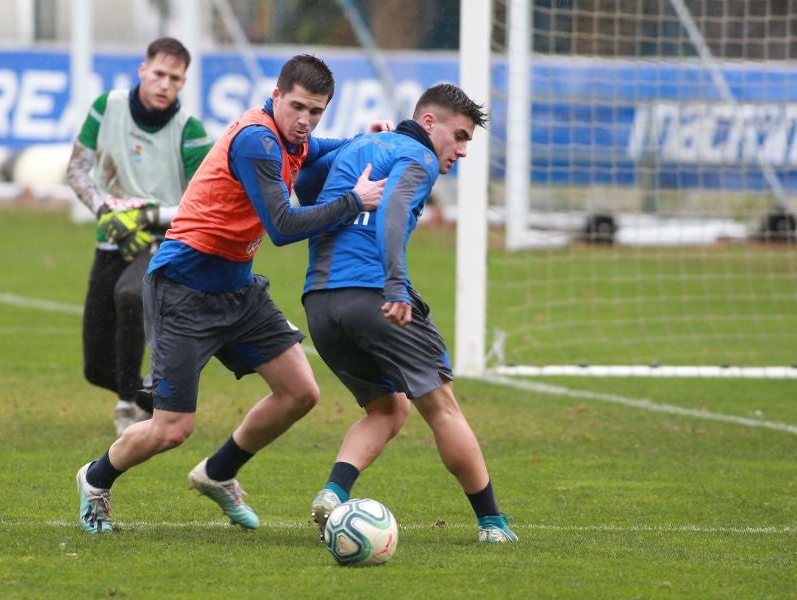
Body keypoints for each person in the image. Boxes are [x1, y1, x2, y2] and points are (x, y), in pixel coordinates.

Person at [75, 53, 390, 534]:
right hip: (184, 289)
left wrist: (368, 139)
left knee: (300, 392)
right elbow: (282, 227)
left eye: (317, 112)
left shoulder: (292, 136)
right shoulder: (256, 141)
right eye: (299, 107)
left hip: (238, 289)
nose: (306, 121)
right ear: (277, 96)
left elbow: (328, 147)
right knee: (172, 429)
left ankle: (218, 473)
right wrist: (354, 202)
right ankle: (95, 480)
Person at [297, 83, 518, 543]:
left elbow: (304, 185)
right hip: (375, 296)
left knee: (387, 409)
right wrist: (395, 285)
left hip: (319, 303)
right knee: (443, 408)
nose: (460, 150)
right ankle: (493, 523)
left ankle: (334, 493)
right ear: (429, 122)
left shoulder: (360, 145)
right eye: (459, 136)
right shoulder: (416, 157)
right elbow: (393, 210)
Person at [66, 37, 212, 436]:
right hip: (111, 239)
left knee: (131, 295)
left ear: (183, 83)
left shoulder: (191, 131)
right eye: (159, 74)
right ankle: (157, 394)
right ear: (142, 70)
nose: (165, 84)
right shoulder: (106, 107)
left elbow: (207, 200)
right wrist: (104, 213)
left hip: (164, 242)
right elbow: (77, 169)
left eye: (175, 78)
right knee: (96, 366)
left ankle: (128, 406)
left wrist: (147, 217)